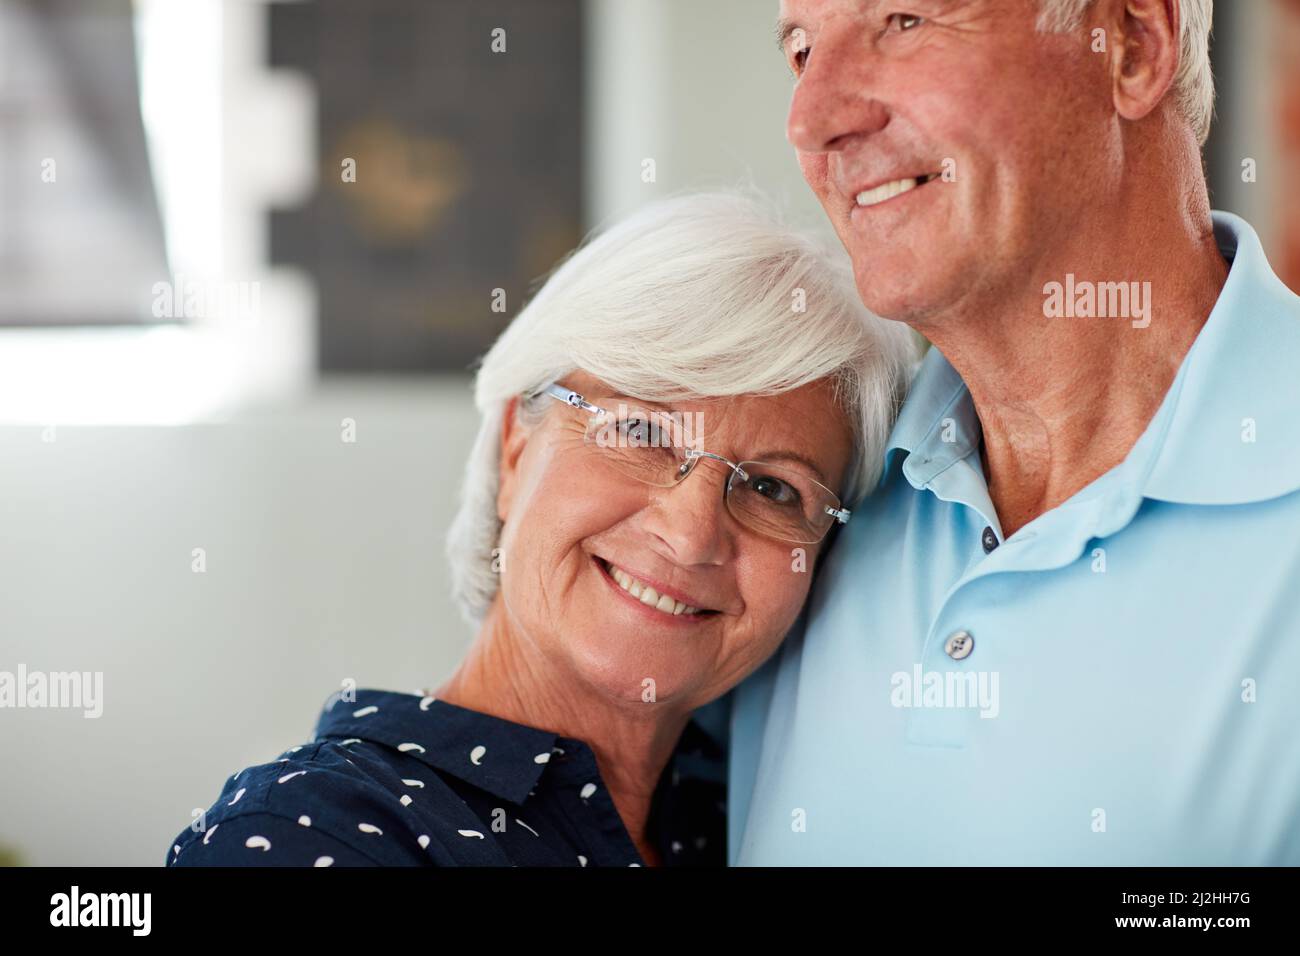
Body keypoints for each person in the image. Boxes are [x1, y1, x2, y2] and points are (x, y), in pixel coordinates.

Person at [164, 190, 917, 867]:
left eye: (771, 488)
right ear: (515, 450)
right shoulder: (308, 834)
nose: (691, 536)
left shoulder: (754, 825)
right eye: (644, 434)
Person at [731, 0, 1300, 864]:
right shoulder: (791, 495)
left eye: (905, 21)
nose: (812, 119)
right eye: (803, 50)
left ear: (1134, 47)